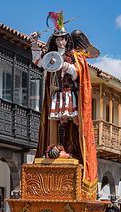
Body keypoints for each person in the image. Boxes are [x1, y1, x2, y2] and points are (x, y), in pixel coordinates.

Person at [30, 11, 100, 199]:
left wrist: (65, 66)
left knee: (74, 121)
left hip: (69, 93)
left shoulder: (74, 55)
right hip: (56, 93)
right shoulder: (51, 55)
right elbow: (38, 61)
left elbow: (78, 72)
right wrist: (34, 43)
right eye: (58, 39)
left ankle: (72, 148)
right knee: (59, 120)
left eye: (63, 39)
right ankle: (58, 146)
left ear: (67, 40)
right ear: (55, 40)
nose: (61, 42)